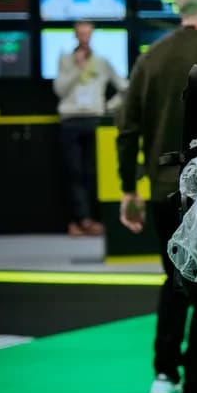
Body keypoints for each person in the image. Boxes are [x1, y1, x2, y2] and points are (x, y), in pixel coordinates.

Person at [116, 0, 197, 393]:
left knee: (174, 281)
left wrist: (129, 189)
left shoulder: (150, 58)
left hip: (162, 191)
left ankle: (164, 376)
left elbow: (127, 127)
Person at [53, 19, 127, 236]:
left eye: (87, 33)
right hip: (70, 120)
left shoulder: (102, 61)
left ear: (92, 35)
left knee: (93, 172)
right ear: (75, 35)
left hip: (95, 120)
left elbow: (125, 88)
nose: (84, 37)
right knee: (73, 172)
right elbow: (59, 90)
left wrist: (107, 107)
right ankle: (80, 220)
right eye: (80, 33)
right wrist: (78, 69)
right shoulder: (65, 60)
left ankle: (92, 220)